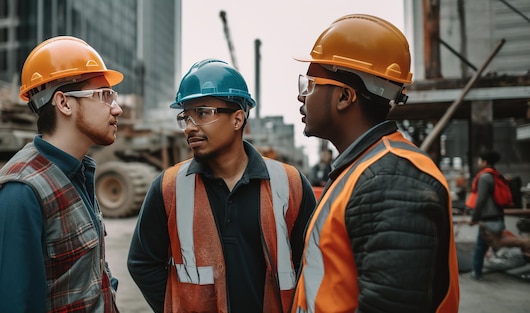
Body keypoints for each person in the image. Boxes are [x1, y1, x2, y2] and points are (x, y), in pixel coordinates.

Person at [290, 14, 460, 312]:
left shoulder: (391, 181)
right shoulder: (361, 169)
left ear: (344, 96)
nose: (301, 96)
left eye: (311, 84)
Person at [127, 59, 317, 313]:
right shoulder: (169, 188)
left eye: (203, 113)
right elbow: (142, 262)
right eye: (185, 116)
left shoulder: (290, 184)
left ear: (238, 119)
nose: (190, 127)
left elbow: (313, 263)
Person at [0, 36, 124, 313]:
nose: (117, 108)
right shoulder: (17, 194)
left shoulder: (78, 173)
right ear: (64, 103)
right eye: (104, 95)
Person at [467, 150, 530, 280]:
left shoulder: (485, 177)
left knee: (488, 245)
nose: (478, 162)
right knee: (485, 245)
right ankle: (477, 271)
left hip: (488, 219)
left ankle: (476, 272)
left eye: (480, 160)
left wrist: (474, 218)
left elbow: (481, 200)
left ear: (484, 162)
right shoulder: (496, 175)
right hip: (496, 217)